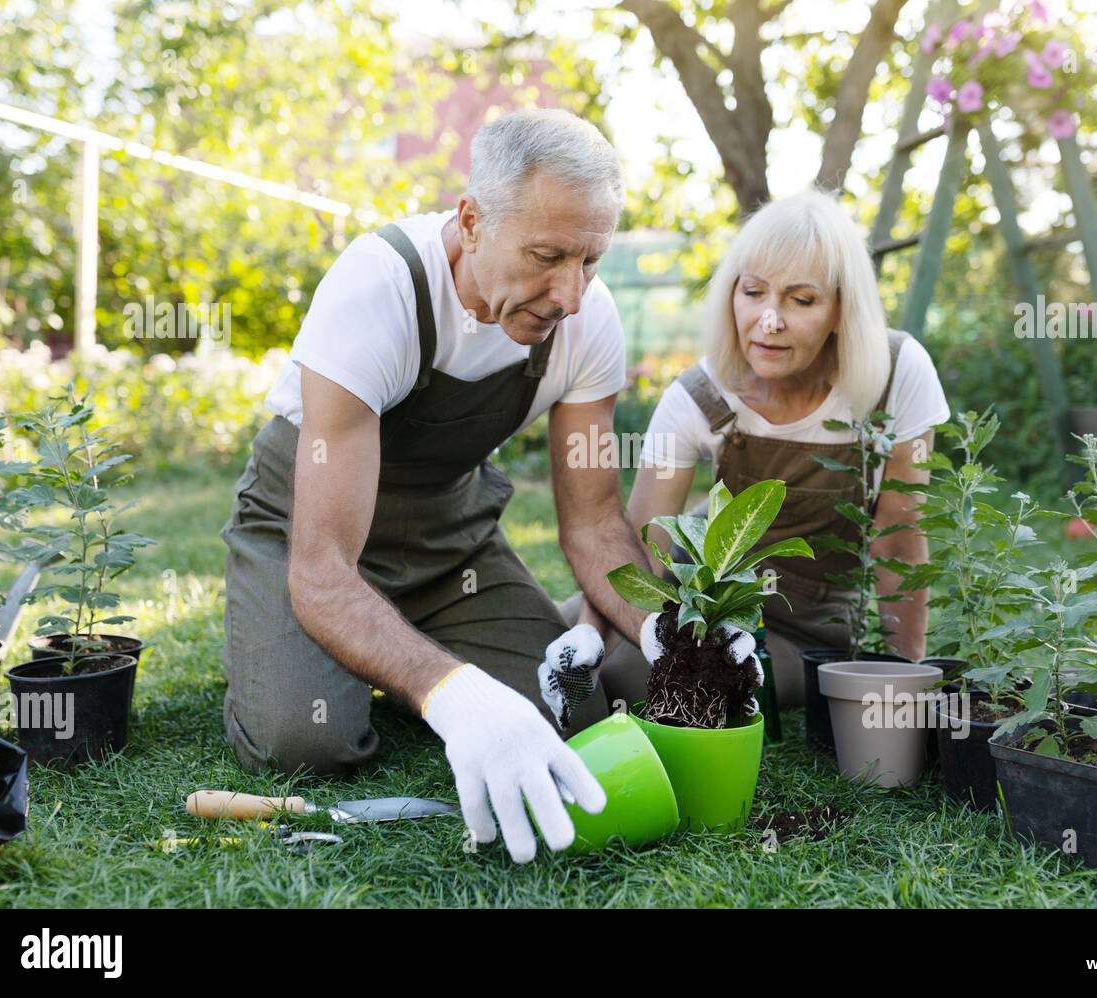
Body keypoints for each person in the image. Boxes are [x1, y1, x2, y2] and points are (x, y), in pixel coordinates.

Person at [220, 109, 758, 864]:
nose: (570, 292)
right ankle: (331, 654)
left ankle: (430, 646)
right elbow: (322, 571)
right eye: (546, 255)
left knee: (569, 710)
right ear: (471, 222)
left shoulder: (586, 321)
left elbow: (597, 524)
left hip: (451, 543)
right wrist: (456, 695)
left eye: (590, 261)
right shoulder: (379, 289)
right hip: (308, 536)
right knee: (306, 739)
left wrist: (672, 632)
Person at [563, 188, 950, 709]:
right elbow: (643, 546)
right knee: (545, 630)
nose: (770, 320)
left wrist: (904, 685)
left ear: (840, 310)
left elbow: (898, 539)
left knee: (642, 684)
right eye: (753, 293)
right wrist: (590, 638)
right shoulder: (702, 394)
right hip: (692, 596)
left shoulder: (895, 374)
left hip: (806, 629)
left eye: (802, 300)